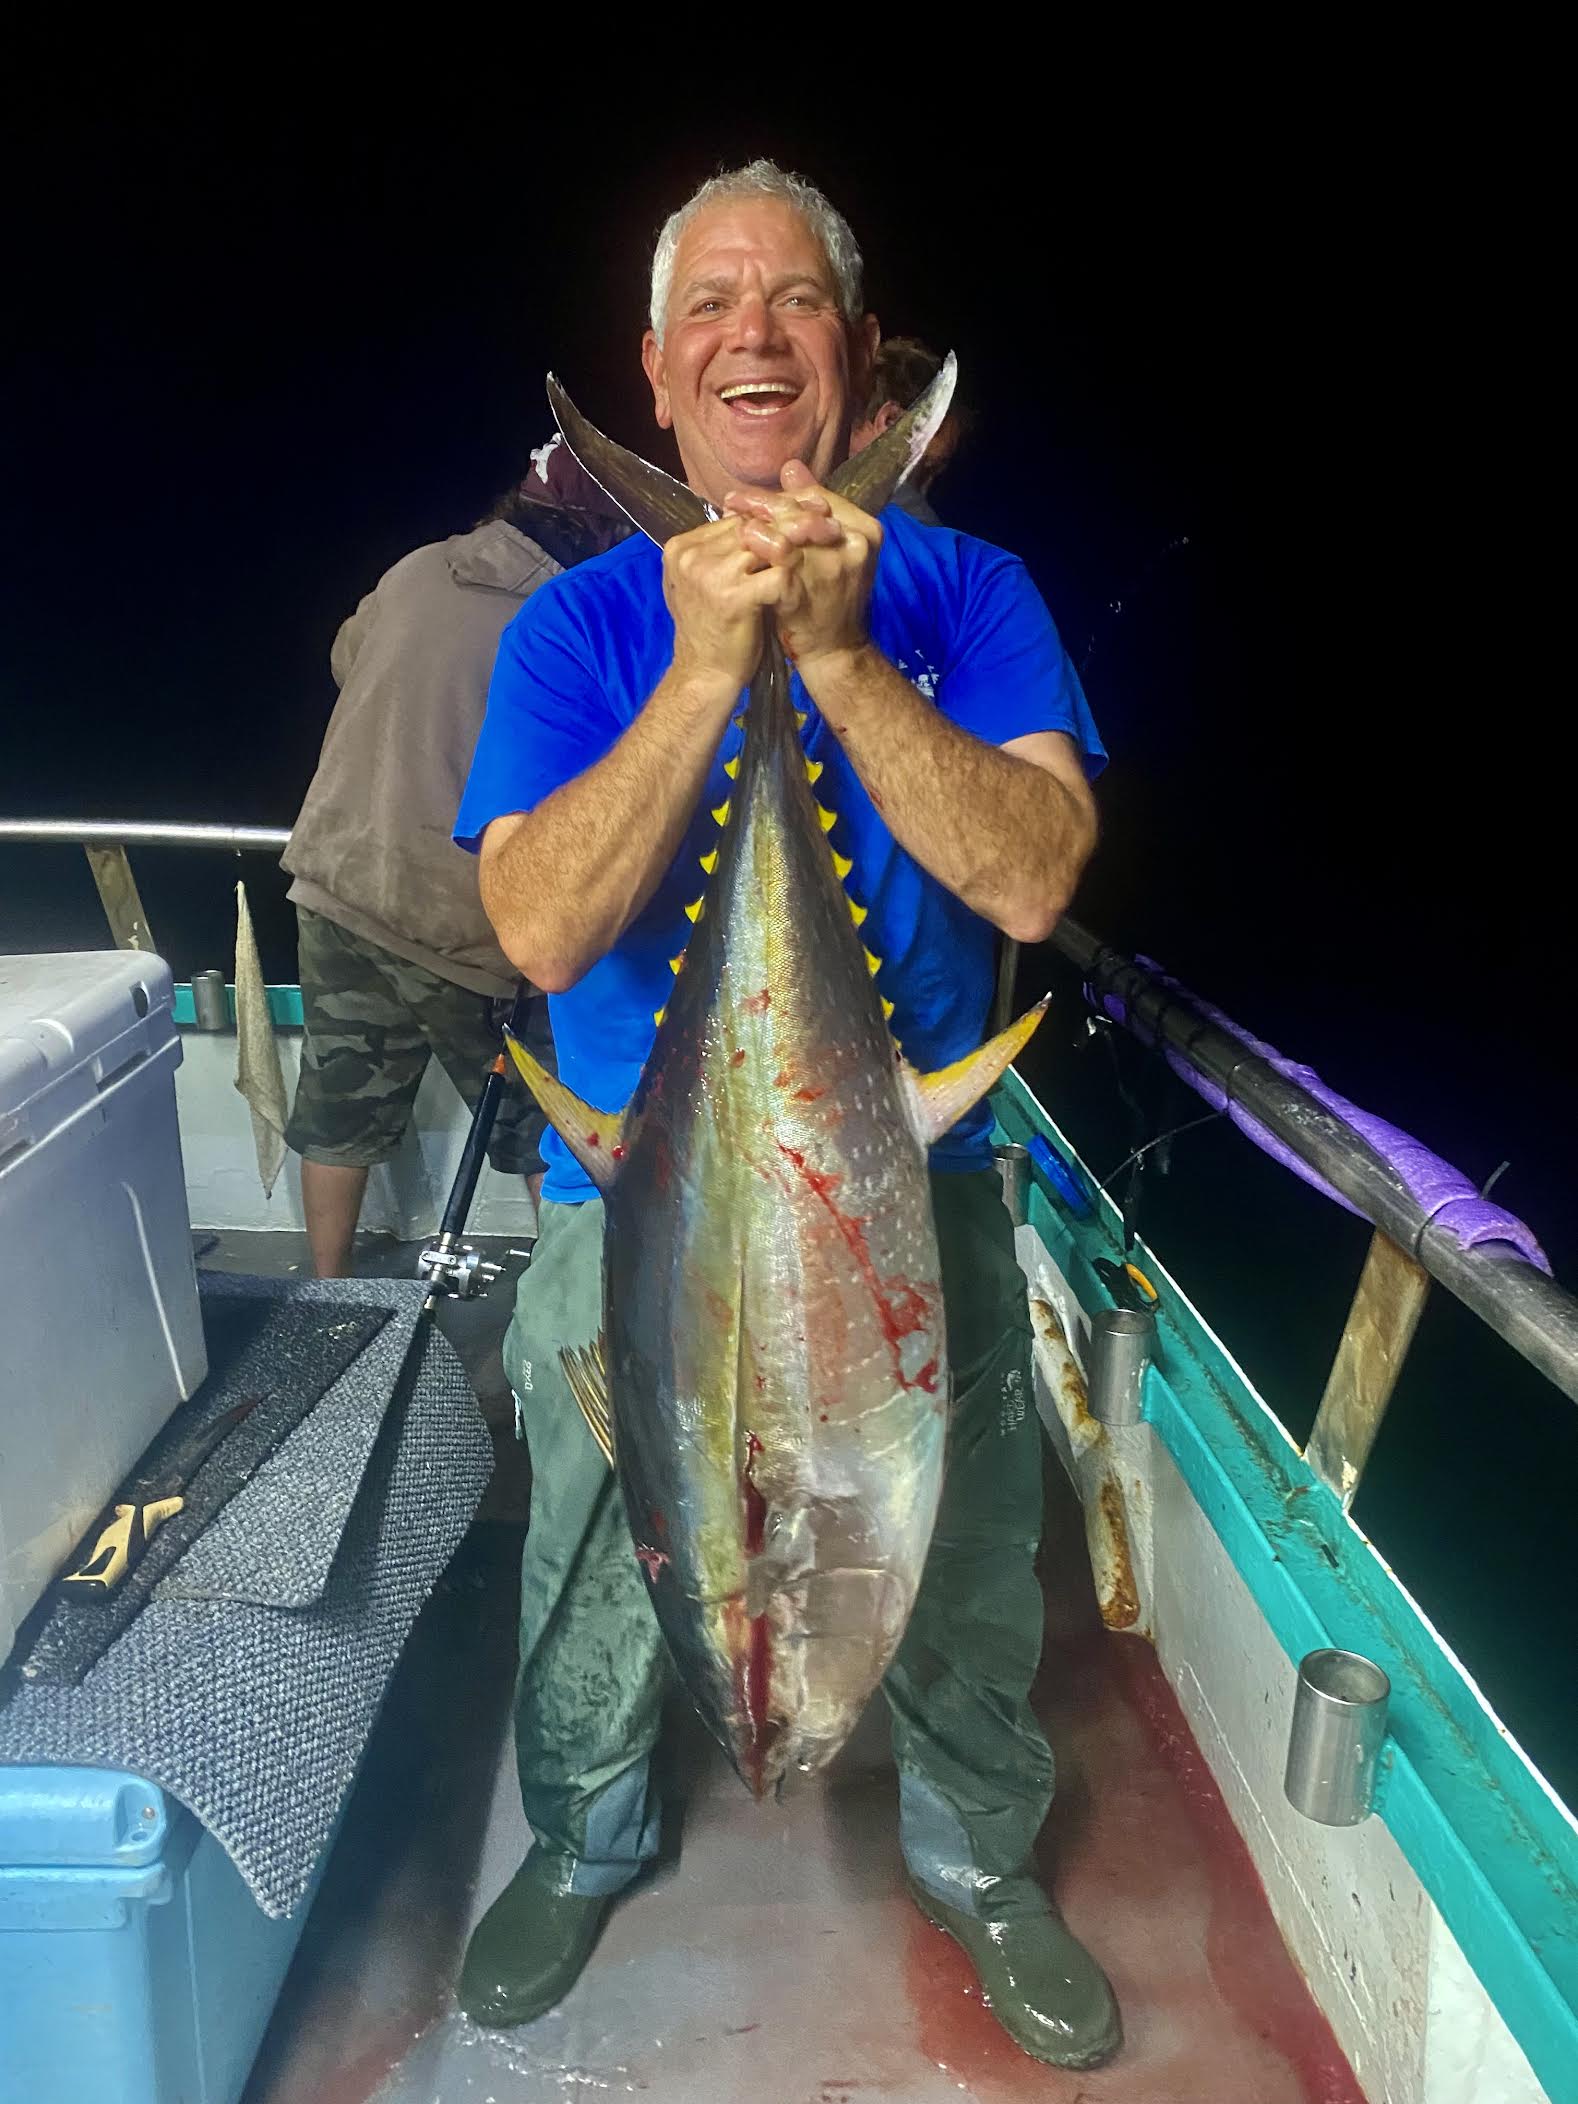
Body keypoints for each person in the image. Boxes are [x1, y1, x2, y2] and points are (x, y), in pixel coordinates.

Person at [453, 160, 1118, 2072]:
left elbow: (1032, 874)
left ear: (859, 352)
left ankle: (980, 1854)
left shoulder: (970, 593)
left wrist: (832, 655)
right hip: (634, 1195)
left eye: (796, 299)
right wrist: (704, 670)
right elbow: (533, 922)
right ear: (656, 374)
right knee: (599, 1539)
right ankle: (581, 1829)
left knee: (961, 1551)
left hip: (913, 1191)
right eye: (710, 307)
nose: (754, 332)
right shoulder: (573, 629)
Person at [280, 456, 628, 1276]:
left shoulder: (417, 568)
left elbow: (345, 660)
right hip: (463, 929)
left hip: (341, 884)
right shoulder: (569, 617)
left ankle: (328, 1289)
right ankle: (574, 1299)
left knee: (336, 1116)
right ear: (601, 530)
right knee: (551, 1131)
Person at [848, 334, 966, 523]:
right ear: (891, 422)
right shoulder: (912, 522)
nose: (925, 489)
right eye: (926, 469)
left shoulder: (802, 482)